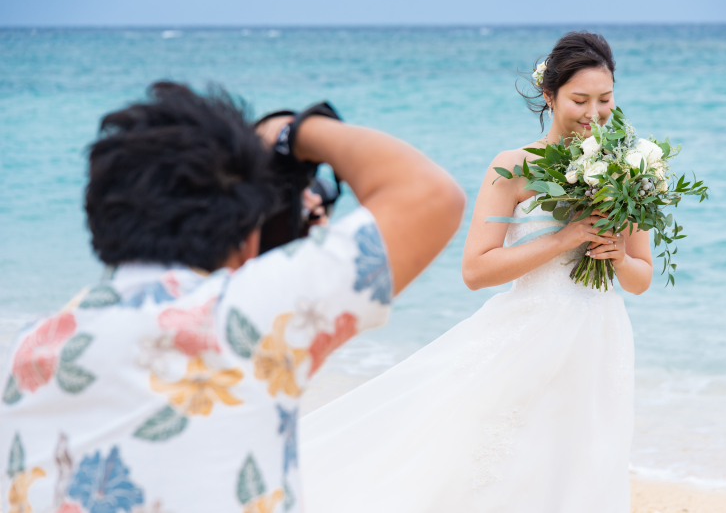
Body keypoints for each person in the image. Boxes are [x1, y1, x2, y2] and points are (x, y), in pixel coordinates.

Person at [0, 82, 465, 513]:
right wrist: (291, 131)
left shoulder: (28, 347)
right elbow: (430, 195)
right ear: (246, 232)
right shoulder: (246, 315)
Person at [299, 31, 653, 512]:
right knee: (502, 471)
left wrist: (617, 257)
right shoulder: (512, 167)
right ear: (549, 97)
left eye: (606, 99)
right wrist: (564, 239)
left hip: (601, 339)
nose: (594, 113)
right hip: (529, 333)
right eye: (579, 99)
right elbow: (475, 269)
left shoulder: (626, 168)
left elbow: (641, 277)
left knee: (586, 467)